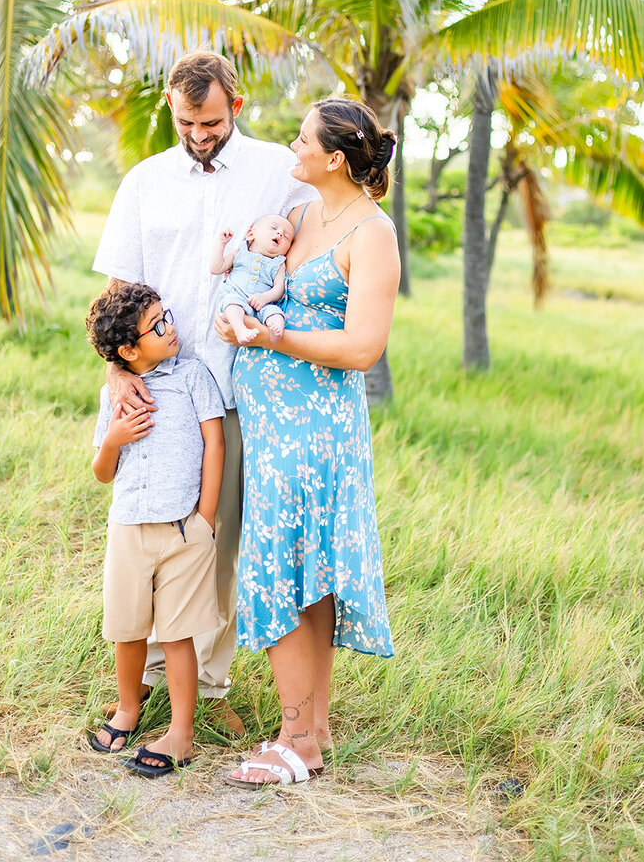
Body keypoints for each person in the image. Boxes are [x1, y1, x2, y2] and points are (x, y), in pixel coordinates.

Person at [92, 51, 313, 736]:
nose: (198, 133)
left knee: (213, 539)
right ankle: (147, 677)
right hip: (150, 390)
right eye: (187, 120)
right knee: (142, 527)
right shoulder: (144, 181)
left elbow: (314, 245)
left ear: (236, 108)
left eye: (211, 121)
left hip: (235, 389)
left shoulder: (279, 170)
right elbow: (115, 292)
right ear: (170, 106)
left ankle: (208, 687)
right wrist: (115, 373)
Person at [216, 97, 400, 788]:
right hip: (271, 424)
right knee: (306, 573)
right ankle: (311, 728)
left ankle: (297, 743)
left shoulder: (372, 234)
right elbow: (262, 284)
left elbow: (362, 347)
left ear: (332, 158)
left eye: (301, 140)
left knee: (288, 571)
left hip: (315, 428)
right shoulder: (299, 216)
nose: (290, 149)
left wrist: (273, 337)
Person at [85, 283, 225, 776]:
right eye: (158, 325)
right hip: (128, 528)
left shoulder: (192, 376)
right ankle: (128, 706)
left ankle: (181, 732)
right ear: (128, 350)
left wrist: (205, 518)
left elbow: (214, 443)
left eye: (168, 317)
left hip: (184, 529)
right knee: (127, 630)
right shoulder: (114, 394)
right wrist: (114, 440)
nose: (172, 329)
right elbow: (102, 472)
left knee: (178, 634)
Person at [209, 215, 294, 345]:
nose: (280, 233)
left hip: (262, 305)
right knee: (231, 303)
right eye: (273, 227)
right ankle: (240, 330)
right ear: (250, 234)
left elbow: (279, 288)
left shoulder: (278, 263)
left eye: (287, 237)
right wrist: (222, 244)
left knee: (275, 312)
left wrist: (265, 298)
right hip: (235, 298)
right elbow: (216, 268)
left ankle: (276, 332)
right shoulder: (239, 253)